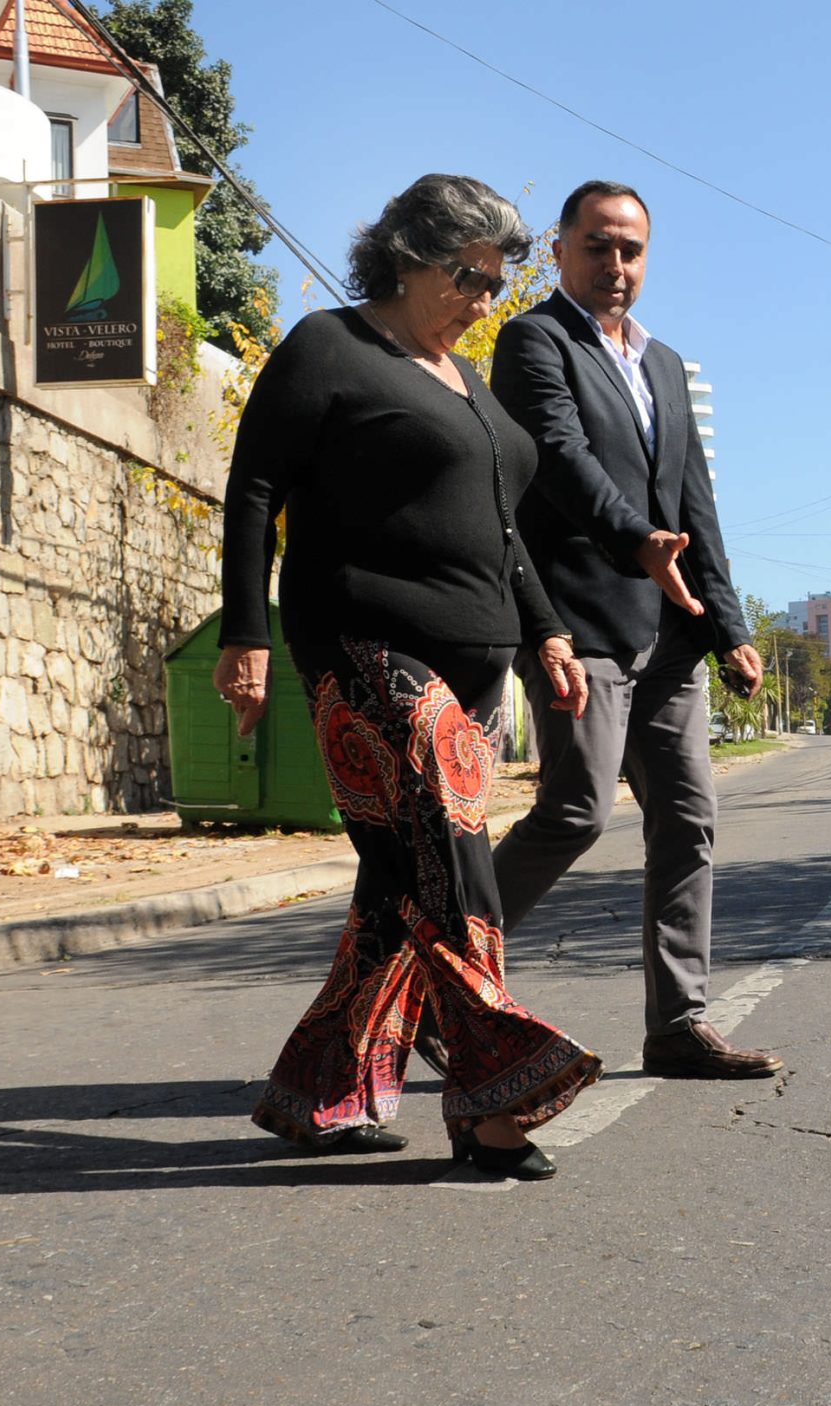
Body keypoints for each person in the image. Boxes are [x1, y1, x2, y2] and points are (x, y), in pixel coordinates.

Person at [216, 174, 600, 1181]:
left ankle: (319, 1093)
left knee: (400, 884)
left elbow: (508, 534)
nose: (486, 297)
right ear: (406, 255)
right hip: (361, 641)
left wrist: (547, 631)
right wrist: (245, 632)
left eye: (497, 279)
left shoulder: (469, 386)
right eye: (469, 275)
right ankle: (494, 1096)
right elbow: (256, 486)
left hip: (475, 659)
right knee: (457, 857)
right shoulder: (330, 348)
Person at [488, 181, 777, 1079]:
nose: (616, 267)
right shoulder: (532, 340)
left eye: (632, 251)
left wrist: (727, 623)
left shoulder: (665, 365)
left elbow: (698, 503)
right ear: (561, 251)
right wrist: (635, 542)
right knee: (574, 810)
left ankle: (677, 1024)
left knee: (688, 817)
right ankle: (439, 968)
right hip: (578, 621)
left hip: (672, 635)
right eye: (598, 247)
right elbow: (562, 459)